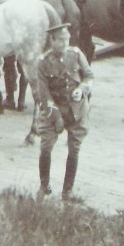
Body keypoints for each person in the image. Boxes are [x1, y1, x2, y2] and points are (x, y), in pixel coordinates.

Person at [31, 22, 94, 201]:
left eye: (67, 40)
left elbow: (89, 76)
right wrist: (56, 115)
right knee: (45, 147)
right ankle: (44, 186)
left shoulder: (76, 54)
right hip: (54, 110)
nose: (65, 44)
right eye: (60, 41)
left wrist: (81, 89)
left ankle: (68, 190)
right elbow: (43, 94)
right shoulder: (43, 62)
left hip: (76, 109)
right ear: (52, 41)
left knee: (74, 149)